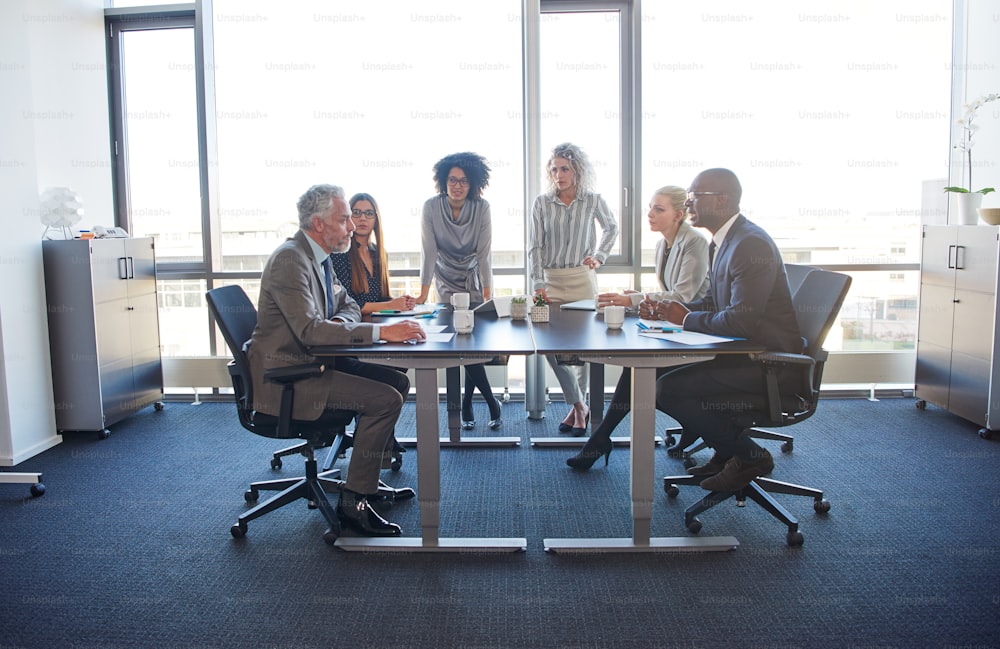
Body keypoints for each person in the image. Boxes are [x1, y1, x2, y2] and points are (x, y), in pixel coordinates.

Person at [573, 168, 802, 492]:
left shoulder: (750, 244)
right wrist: (671, 312)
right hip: (739, 352)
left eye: (695, 197)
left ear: (721, 200)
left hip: (766, 362)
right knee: (641, 368)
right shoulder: (722, 242)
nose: (689, 203)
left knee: (668, 389)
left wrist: (683, 318)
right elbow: (712, 301)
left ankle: (749, 456)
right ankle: (725, 451)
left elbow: (740, 321)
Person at [248, 184, 427, 537]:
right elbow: (310, 331)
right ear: (319, 224)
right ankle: (354, 502)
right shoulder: (291, 260)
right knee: (385, 399)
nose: (351, 226)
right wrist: (381, 334)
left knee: (397, 381)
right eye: (344, 219)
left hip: (317, 363)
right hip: (290, 377)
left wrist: (339, 324)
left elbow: (348, 306)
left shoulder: (319, 258)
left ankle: (367, 482)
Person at [567, 185, 710, 468]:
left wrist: (632, 299)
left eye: (659, 209)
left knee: (639, 372)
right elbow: (669, 293)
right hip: (677, 329)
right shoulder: (663, 245)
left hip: (700, 331)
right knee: (635, 369)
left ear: (679, 214)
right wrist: (636, 297)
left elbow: (684, 297)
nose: (650, 214)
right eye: (650, 207)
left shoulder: (694, 241)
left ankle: (600, 440)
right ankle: (601, 439)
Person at [528, 142, 619, 435]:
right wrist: (538, 283)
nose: (559, 174)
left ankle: (576, 408)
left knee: (582, 350)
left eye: (565, 168)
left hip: (582, 280)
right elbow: (535, 247)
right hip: (550, 283)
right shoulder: (541, 203)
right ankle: (580, 404)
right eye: (554, 169)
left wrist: (600, 256)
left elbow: (612, 227)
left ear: (577, 170)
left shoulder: (593, 200)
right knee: (551, 348)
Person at [416, 152, 503, 430]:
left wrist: (488, 292)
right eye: (452, 180)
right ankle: (489, 402)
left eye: (464, 181)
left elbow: (484, 253)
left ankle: (467, 406)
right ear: (443, 181)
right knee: (456, 346)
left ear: (473, 183)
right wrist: (421, 294)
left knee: (471, 347)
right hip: (444, 282)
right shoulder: (431, 207)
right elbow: (429, 253)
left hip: (473, 281)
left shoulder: (482, 207)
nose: (457, 185)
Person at [330, 192, 416, 314]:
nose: (363, 218)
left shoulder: (379, 253)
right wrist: (389, 305)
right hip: (353, 326)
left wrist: (401, 302)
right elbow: (345, 303)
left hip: (378, 322)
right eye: (356, 213)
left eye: (369, 213)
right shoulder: (339, 253)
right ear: (348, 217)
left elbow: (380, 299)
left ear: (376, 219)